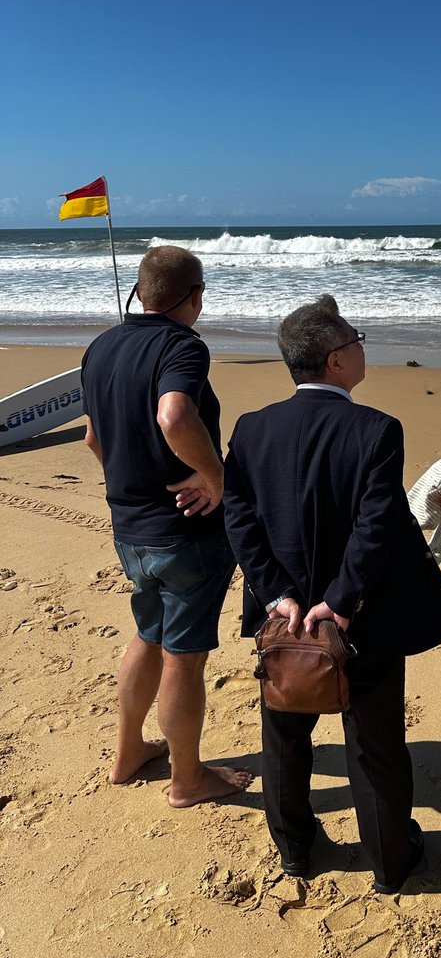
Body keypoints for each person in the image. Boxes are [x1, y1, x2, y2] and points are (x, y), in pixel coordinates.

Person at [223, 296, 441, 893]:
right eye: (356, 339)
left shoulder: (253, 429)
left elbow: (239, 517)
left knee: (283, 735)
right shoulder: (375, 430)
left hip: (282, 619)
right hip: (361, 621)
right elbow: (376, 526)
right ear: (333, 362)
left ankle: (296, 850)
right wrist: (343, 601)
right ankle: (389, 860)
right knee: (374, 743)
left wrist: (277, 593)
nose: (361, 346)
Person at [81, 246, 251, 808]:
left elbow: (92, 438)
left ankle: (127, 752)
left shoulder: (100, 346)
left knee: (148, 634)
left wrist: (130, 484)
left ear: (141, 291)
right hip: (186, 529)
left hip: (128, 524)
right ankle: (187, 779)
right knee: (184, 654)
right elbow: (174, 415)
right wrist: (217, 476)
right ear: (194, 295)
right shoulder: (182, 346)